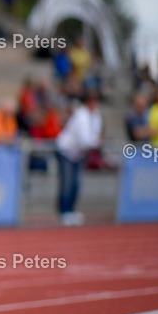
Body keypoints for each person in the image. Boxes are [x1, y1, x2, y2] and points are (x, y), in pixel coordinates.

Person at [54, 90, 102, 226]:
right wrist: (97, 142)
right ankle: (63, 212)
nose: (96, 105)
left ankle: (71, 211)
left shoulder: (95, 115)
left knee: (76, 184)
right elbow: (86, 140)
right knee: (67, 183)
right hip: (67, 152)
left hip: (79, 154)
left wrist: (95, 141)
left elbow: (94, 135)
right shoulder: (82, 116)